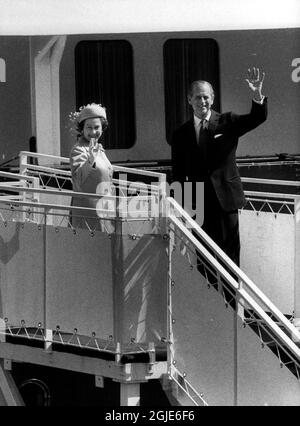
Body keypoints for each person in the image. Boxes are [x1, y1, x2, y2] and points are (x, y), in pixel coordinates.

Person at [171, 68, 267, 267]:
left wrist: (257, 94)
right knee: (204, 261)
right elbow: (179, 174)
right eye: (197, 97)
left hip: (226, 201)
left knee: (230, 260)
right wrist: (183, 209)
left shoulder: (227, 121)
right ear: (189, 100)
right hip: (199, 206)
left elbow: (256, 118)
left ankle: (231, 299)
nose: (202, 102)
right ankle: (210, 298)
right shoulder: (181, 134)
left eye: (205, 97)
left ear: (212, 99)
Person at [69, 103, 114, 230]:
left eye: (97, 127)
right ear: (82, 129)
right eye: (89, 127)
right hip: (87, 214)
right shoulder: (78, 150)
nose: (93, 132)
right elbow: (78, 179)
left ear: (102, 128)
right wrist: (90, 160)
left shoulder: (98, 149)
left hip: (104, 211)